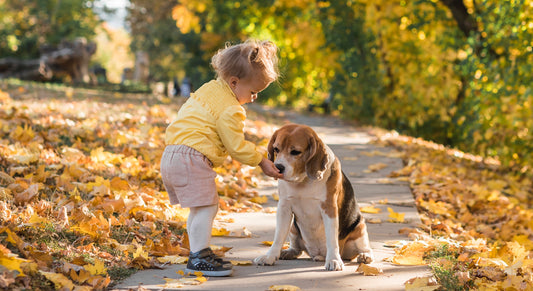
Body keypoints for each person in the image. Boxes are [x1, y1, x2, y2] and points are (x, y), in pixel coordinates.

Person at [160, 39, 283, 277]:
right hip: (191, 156)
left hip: (172, 153)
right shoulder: (231, 108)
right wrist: (261, 160)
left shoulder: (208, 89)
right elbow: (236, 146)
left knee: (200, 208)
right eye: (253, 92)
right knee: (207, 207)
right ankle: (198, 257)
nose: (254, 98)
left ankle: (199, 252)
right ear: (234, 82)